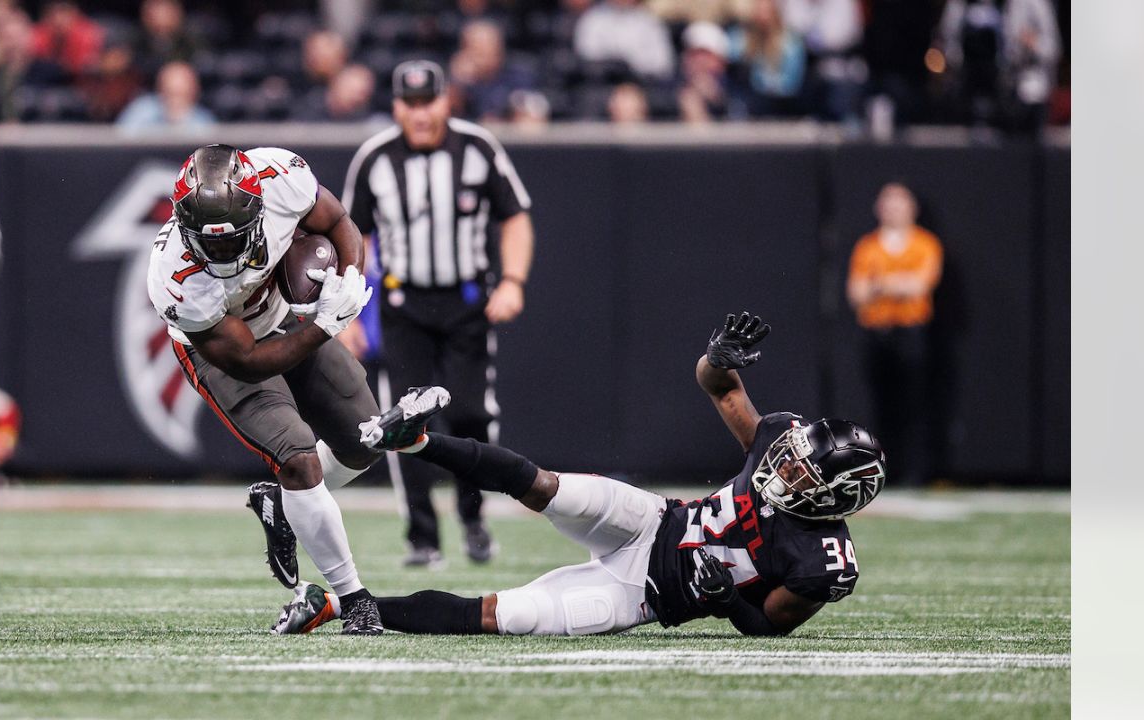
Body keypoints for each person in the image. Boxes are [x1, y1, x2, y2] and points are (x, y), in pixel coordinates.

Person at [270, 310, 886, 637]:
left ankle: (345, 607)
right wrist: (716, 358)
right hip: (659, 520)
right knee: (543, 485)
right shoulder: (778, 439)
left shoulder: (823, 560)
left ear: (837, 496)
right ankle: (415, 440)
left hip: (646, 594)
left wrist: (728, 601)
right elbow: (722, 390)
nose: (788, 463)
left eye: (806, 471)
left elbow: (768, 627)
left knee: (513, 615)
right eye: (795, 454)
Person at [146, 144, 446, 634]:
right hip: (227, 347)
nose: (222, 253)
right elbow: (248, 361)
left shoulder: (279, 178)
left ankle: (280, 503)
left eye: (231, 240)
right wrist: (326, 326)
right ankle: (354, 599)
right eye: (209, 242)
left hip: (283, 317)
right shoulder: (177, 280)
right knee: (297, 458)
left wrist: (348, 280)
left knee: (365, 442)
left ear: (257, 205)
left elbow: (340, 223)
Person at [341, 60, 535, 568]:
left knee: (472, 413)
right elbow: (351, 238)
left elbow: (515, 216)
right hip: (403, 306)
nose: (421, 113)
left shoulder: (477, 148)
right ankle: (422, 536)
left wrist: (512, 281)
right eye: (411, 103)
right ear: (396, 106)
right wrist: (348, 314)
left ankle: (473, 517)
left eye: (429, 101)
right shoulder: (375, 158)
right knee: (403, 419)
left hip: (467, 302)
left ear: (447, 101)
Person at [845, 182, 942, 487]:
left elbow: (919, 285)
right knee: (878, 405)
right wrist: (893, 282)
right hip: (876, 333)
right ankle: (879, 471)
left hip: (910, 333)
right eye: (888, 203)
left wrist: (879, 284)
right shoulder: (867, 246)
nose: (893, 210)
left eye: (900, 203)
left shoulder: (925, 243)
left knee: (914, 404)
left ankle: (915, 473)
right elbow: (857, 294)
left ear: (912, 208)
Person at [116, 60, 215, 133]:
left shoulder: (203, 120)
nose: (175, 101)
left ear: (194, 92)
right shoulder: (141, 110)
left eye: (180, 94)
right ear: (160, 89)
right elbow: (120, 141)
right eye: (170, 93)